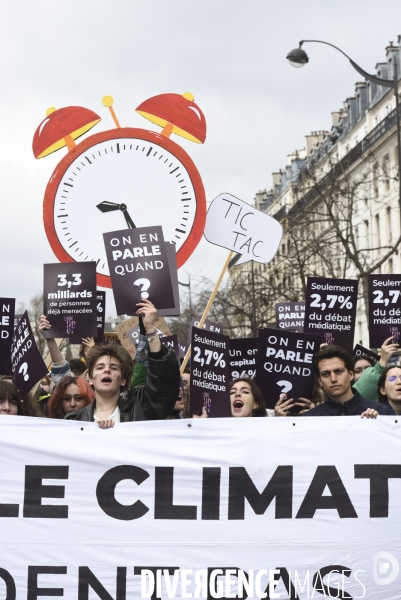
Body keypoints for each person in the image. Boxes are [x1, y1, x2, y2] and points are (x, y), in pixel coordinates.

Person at [65, 299, 180, 427]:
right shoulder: (74, 421)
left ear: (123, 380)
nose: (107, 370)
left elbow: (163, 383)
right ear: (90, 379)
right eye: (100, 367)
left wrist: (149, 328)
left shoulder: (142, 407)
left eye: (114, 367)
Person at [305, 345, 393, 417]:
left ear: (351, 374)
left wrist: (379, 424)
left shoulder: (381, 411)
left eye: (339, 371)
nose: (333, 379)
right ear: (320, 381)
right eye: (326, 374)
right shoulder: (310, 418)